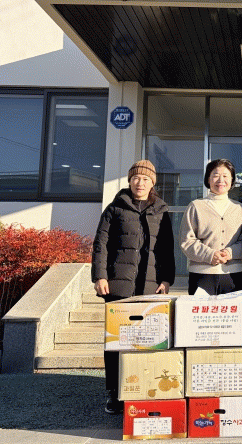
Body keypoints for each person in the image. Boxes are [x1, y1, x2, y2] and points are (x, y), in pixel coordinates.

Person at [91, 159, 175, 415]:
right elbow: (100, 245)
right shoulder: (115, 208)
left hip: (150, 286)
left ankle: (142, 389)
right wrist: (100, 276)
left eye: (146, 179)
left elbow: (166, 248)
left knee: (147, 341)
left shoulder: (161, 210)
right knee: (115, 341)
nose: (141, 183)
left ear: (153, 183)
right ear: (129, 181)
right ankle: (114, 392)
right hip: (117, 285)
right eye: (136, 178)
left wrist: (166, 279)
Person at [180, 159, 242, 295]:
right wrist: (209, 255)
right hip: (201, 275)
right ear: (208, 179)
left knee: (230, 309)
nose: (221, 180)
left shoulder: (239, 208)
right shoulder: (196, 206)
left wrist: (230, 252)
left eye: (225, 176)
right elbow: (187, 241)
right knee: (201, 309)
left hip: (232, 275)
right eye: (216, 175)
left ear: (232, 180)